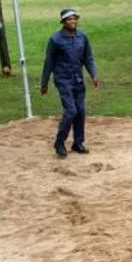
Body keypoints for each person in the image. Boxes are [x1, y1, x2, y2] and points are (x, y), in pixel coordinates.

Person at [41, 8, 99, 158]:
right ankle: (59, 142)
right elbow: (49, 62)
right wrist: (44, 83)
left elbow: (88, 58)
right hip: (63, 80)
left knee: (80, 111)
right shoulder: (55, 40)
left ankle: (78, 143)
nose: (72, 21)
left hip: (78, 79)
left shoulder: (82, 37)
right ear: (63, 22)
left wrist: (94, 75)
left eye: (74, 18)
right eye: (69, 19)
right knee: (71, 111)